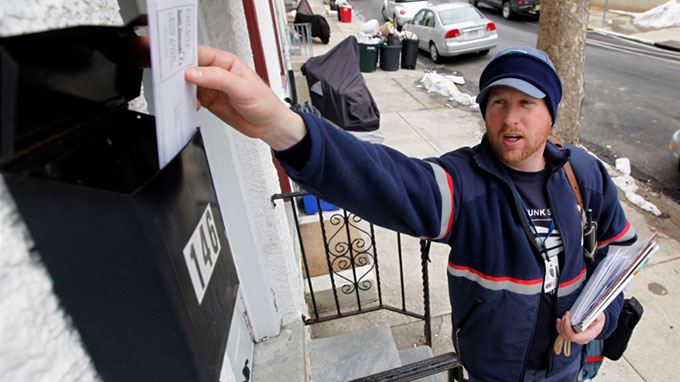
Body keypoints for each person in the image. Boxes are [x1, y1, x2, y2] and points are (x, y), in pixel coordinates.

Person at [183, 45, 636, 381]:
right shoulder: (466, 183)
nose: (510, 118)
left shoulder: (585, 176)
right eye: (498, 102)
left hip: (568, 367)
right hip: (490, 372)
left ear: (549, 113)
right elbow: (386, 180)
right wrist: (281, 126)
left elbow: (622, 257)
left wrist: (604, 317)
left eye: (526, 104)